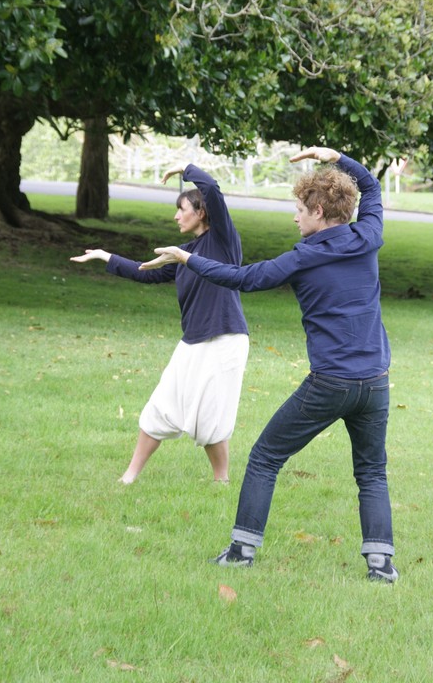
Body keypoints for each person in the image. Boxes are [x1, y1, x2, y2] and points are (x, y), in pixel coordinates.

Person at [139, 146, 398, 582]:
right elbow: (370, 186)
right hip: (375, 383)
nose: (295, 219)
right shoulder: (367, 234)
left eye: (299, 211)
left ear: (318, 210)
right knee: (371, 471)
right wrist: (338, 157)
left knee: (263, 457)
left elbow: (243, 277)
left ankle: (241, 551)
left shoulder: (303, 256)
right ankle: (381, 566)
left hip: (331, 382)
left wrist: (187, 257)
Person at [70, 165, 249, 484]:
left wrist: (185, 170)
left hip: (224, 338)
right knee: (160, 407)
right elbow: (146, 271)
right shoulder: (184, 253)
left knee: (208, 420)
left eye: (182, 210)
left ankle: (221, 482)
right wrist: (104, 256)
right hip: (192, 341)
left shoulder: (222, 240)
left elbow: (212, 189)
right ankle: (128, 477)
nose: (177, 217)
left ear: (201, 212)